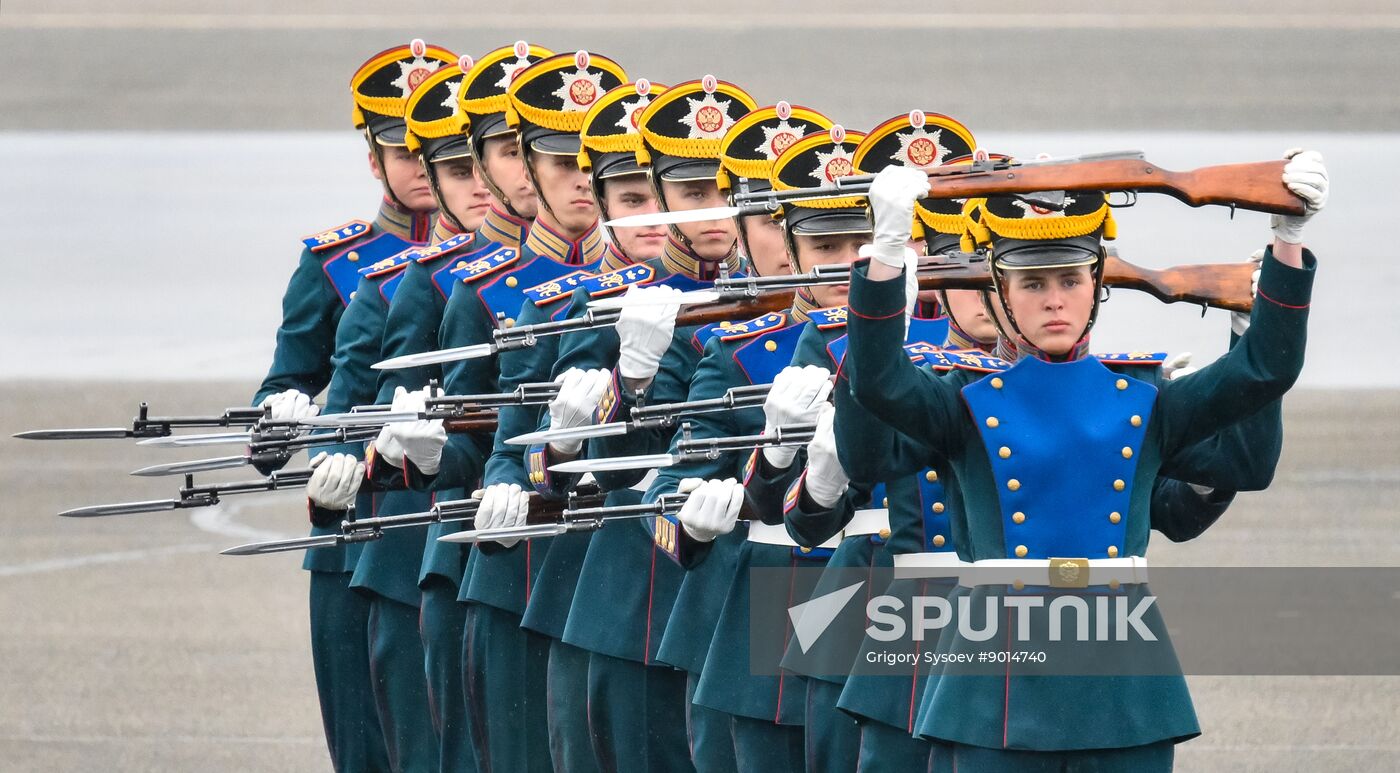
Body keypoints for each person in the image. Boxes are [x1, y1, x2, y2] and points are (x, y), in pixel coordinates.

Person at [838, 151, 1325, 771]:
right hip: (997, 672)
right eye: (1033, 284)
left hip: (1119, 664)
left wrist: (1287, 241)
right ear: (1000, 292)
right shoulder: (962, 404)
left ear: (1097, 285)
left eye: (1071, 280)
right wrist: (883, 261)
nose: (1055, 302)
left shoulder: (1147, 400)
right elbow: (879, 383)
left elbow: (1263, 372)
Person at [261, 39, 450, 772]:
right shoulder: (336, 266)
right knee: (366, 749)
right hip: (354, 533)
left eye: (440, 151)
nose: (424, 166)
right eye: (406, 152)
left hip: (445, 526)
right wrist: (280, 421)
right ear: (374, 159)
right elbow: (286, 381)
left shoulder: (501, 271)